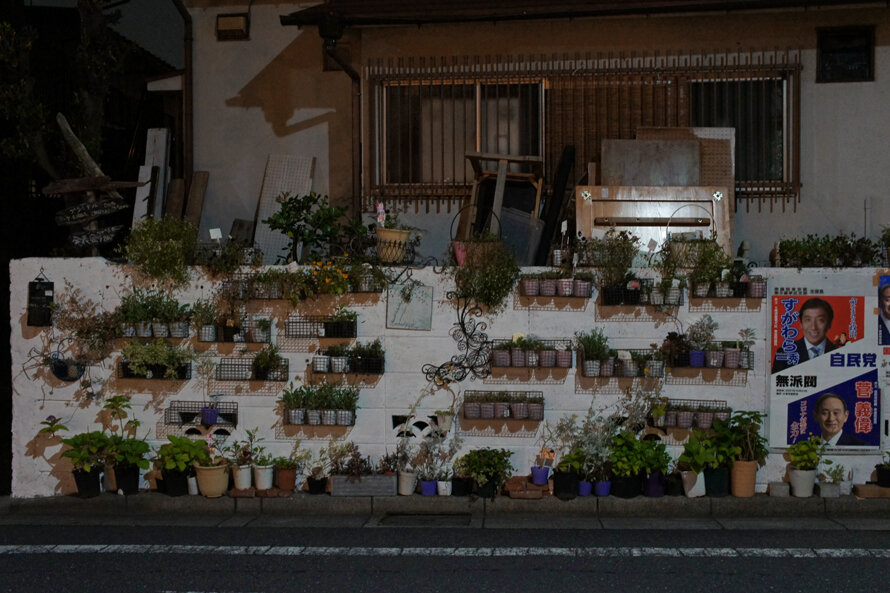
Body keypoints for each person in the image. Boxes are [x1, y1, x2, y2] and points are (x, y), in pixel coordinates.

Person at [772, 297, 838, 373]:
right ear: (801, 324)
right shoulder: (784, 352)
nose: (813, 327)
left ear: (829, 324)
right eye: (808, 320)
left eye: (820, 320)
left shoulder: (840, 353)